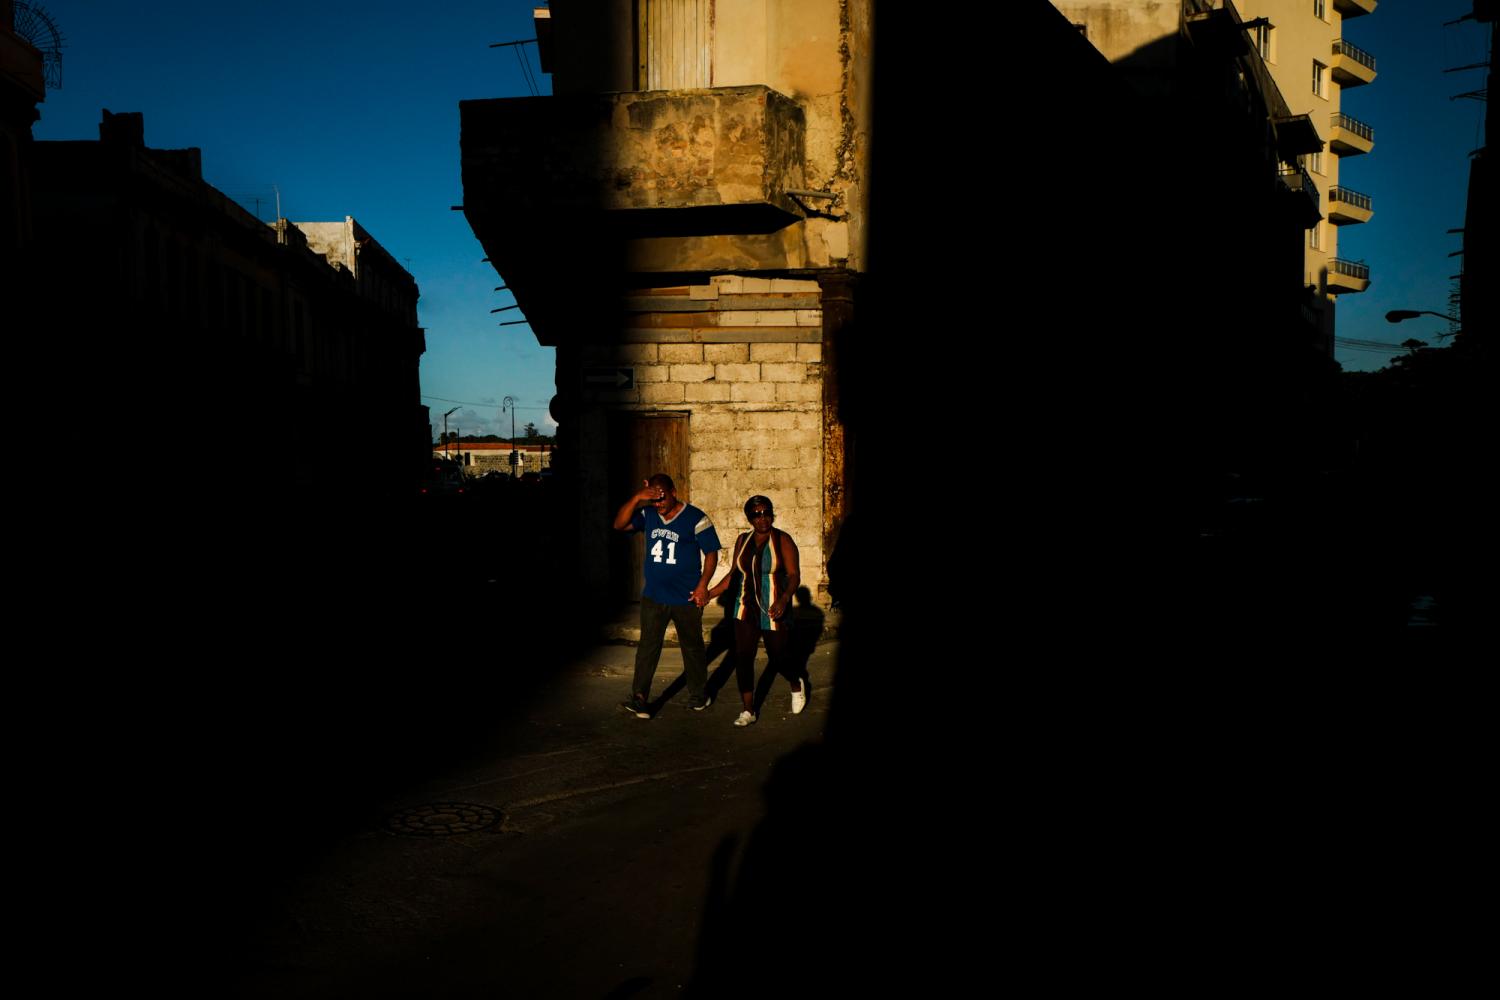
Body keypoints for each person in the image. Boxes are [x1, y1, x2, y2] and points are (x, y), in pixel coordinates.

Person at [613, 474, 721, 718]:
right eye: (654, 499)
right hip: (654, 596)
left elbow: (712, 553)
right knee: (648, 647)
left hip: (686, 597)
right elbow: (619, 525)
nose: (659, 504)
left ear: (673, 492)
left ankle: (698, 694)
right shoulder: (648, 514)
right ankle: (640, 698)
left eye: (662, 498)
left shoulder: (696, 517)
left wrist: (703, 585)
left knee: (692, 648)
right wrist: (637, 498)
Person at [706, 495, 805, 727]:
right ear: (749, 518)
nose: (763, 518)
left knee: (778, 656)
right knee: (743, 656)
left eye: (766, 512)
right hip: (744, 606)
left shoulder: (782, 540)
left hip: (773, 607)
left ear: (772, 514)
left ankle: (796, 683)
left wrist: (783, 599)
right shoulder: (742, 540)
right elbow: (733, 575)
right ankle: (748, 710)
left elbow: (794, 575)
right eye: (756, 514)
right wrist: (709, 594)